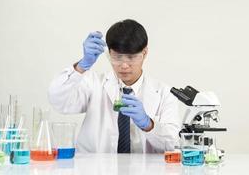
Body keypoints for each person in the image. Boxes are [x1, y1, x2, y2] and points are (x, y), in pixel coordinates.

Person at [48, 19, 181, 153]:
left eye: (131, 57)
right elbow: (58, 100)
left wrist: (149, 125)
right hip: (94, 168)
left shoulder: (165, 93)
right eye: (117, 57)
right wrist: (82, 66)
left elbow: (172, 144)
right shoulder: (93, 84)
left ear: (144, 53)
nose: (124, 65)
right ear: (109, 53)